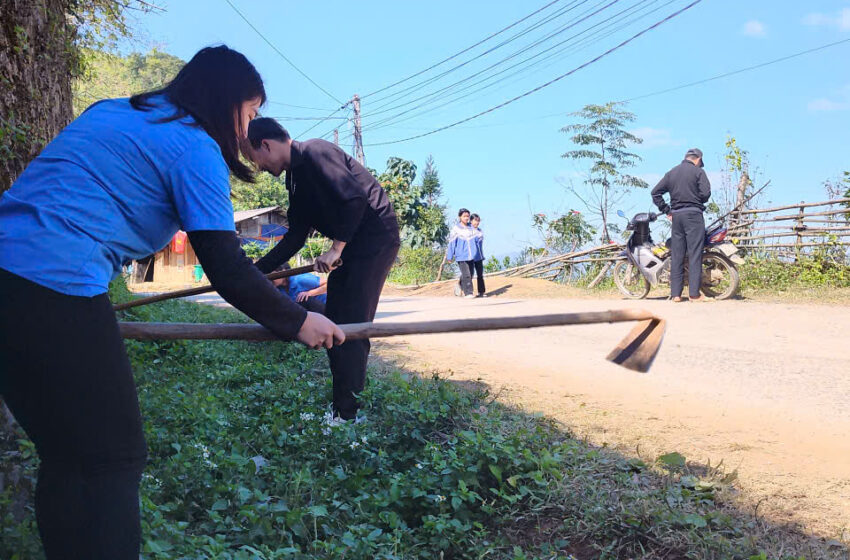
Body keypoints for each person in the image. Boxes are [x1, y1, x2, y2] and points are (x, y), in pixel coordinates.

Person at [0, 46, 343, 559]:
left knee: (70, 454)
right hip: (54, 281)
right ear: (226, 101)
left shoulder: (113, 110)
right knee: (111, 459)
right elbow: (226, 267)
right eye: (248, 113)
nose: (247, 130)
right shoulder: (193, 147)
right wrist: (299, 322)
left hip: (14, 274)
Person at [243, 118, 401, 421]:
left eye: (256, 159)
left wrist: (336, 248)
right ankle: (342, 410)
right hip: (353, 245)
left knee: (351, 326)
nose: (259, 167)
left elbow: (355, 199)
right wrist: (256, 271)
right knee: (337, 325)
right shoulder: (295, 180)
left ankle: (349, 416)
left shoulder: (316, 151)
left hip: (374, 239)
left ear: (265, 144)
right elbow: (296, 237)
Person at [651, 147, 712, 302]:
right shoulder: (699, 172)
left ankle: (676, 295)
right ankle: (694, 294)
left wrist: (666, 210)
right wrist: (696, 198)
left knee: (677, 255)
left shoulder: (672, 172)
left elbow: (655, 192)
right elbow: (705, 194)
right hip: (693, 215)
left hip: (677, 217)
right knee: (695, 254)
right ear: (698, 159)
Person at [446, 208, 477, 298]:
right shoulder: (456, 229)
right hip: (461, 255)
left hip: (471, 255)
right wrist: (449, 256)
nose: (466, 218)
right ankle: (468, 293)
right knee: (466, 274)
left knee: (470, 273)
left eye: (468, 216)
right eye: (464, 216)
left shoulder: (471, 228)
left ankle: (459, 285)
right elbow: (452, 243)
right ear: (460, 217)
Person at [469, 213, 487, 297]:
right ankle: (464, 287)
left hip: (479, 256)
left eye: (478, 221)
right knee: (470, 274)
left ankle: (481, 292)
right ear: (471, 221)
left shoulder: (480, 231)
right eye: (475, 220)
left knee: (480, 274)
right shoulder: (468, 230)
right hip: (470, 256)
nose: (477, 222)